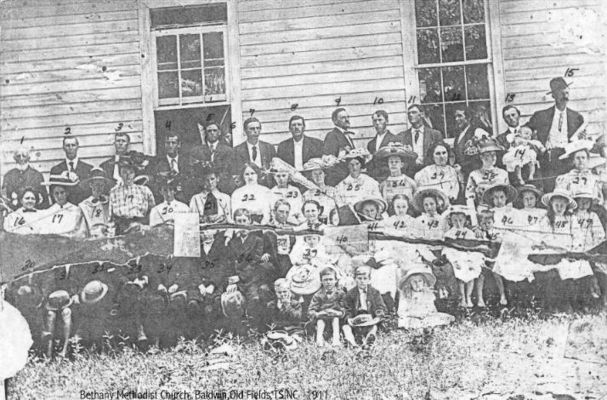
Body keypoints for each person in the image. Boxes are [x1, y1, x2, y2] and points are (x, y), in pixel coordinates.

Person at [528, 77, 585, 192]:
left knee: (569, 192)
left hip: (569, 159)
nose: (564, 95)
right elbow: (526, 129)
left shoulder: (577, 117)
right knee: (550, 192)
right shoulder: (541, 115)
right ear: (553, 95)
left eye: (566, 92)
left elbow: (581, 140)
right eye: (560, 92)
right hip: (549, 159)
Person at [227, 208, 277, 330]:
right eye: (239, 221)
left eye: (244, 220)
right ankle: (238, 331)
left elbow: (254, 262)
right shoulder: (232, 242)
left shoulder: (257, 241)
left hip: (251, 279)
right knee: (232, 301)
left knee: (254, 299)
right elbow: (230, 263)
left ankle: (254, 330)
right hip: (236, 279)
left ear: (249, 222)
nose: (242, 224)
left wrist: (240, 277)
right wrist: (231, 280)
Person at [441, 205, 485, 308]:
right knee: (459, 272)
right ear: (451, 221)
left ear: (465, 220)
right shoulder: (449, 233)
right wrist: (454, 260)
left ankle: (469, 297)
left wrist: (472, 259)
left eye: (461, 220)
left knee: (472, 271)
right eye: (455, 220)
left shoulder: (469, 232)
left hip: (468, 256)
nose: (458, 223)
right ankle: (463, 298)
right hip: (457, 257)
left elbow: (474, 246)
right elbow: (448, 249)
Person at [108, 157, 156, 235]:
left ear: (134, 174)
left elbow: (153, 212)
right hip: (121, 229)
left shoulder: (144, 190)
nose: (128, 176)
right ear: (120, 174)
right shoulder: (114, 192)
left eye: (131, 172)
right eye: (124, 172)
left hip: (140, 228)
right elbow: (110, 217)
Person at [342, 266, 386, 348]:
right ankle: (352, 342)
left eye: (365, 278)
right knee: (345, 327)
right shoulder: (350, 293)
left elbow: (380, 307)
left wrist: (377, 318)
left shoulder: (375, 292)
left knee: (374, 327)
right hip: (356, 319)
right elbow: (346, 308)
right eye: (359, 278)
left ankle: (368, 341)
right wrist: (349, 319)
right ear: (355, 279)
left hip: (370, 319)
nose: (362, 281)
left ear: (369, 279)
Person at [188, 120, 235, 195]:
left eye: (214, 130)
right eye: (209, 131)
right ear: (205, 133)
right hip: (202, 189)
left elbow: (228, 170)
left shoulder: (228, 151)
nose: (212, 133)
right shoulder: (196, 151)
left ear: (219, 132)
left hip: (223, 188)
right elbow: (194, 171)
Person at [396, 104, 444, 175]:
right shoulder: (402, 136)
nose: (410, 115)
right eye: (409, 113)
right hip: (410, 173)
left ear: (422, 114)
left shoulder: (435, 134)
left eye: (414, 112)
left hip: (430, 172)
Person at [307, 267, 346, 346]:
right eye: (325, 280)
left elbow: (345, 308)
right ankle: (319, 340)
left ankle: (336, 340)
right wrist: (318, 314)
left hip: (337, 320)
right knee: (320, 321)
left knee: (335, 319)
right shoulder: (318, 295)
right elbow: (310, 311)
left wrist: (338, 313)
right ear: (321, 281)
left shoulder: (341, 293)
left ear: (336, 280)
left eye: (331, 279)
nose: (328, 282)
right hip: (322, 319)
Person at [465, 139, 509, 208]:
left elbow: (508, 195)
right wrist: (473, 214)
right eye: (489, 155)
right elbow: (469, 197)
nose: (493, 157)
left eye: (494, 154)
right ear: (481, 157)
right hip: (483, 211)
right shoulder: (474, 175)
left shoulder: (503, 173)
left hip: (500, 210)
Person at [50, 136, 93, 204]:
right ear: (63, 148)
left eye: (73, 145)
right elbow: (53, 194)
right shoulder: (56, 170)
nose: (70, 148)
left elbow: (90, 192)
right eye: (67, 145)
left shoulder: (88, 169)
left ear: (77, 147)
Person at [149, 133, 191, 203]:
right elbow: (154, 182)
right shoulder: (156, 162)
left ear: (179, 145)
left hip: (184, 199)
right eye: (168, 143)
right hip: (165, 199)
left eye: (173, 143)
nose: (170, 146)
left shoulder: (186, 161)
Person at [323, 108, 357, 185]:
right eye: (343, 118)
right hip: (338, 180)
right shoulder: (332, 136)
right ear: (335, 121)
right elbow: (329, 161)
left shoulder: (347, 136)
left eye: (348, 117)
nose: (347, 119)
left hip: (348, 178)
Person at [78, 168, 114, 238]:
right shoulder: (84, 205)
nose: (99, 188)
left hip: (109, 235)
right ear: (91, 185)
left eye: (101, 185)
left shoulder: (109, 201)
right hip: (92, 237)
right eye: (96, 185)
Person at [452, 105, 485, 179]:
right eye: (455, 117)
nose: (457, 119)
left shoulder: (477, 132)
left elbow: (481, 156)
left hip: (476, 173)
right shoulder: (458, 136)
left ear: (468, 118)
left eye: (460, 116)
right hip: (462, 174)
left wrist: (463, 167)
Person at [301, 158, 337, 225]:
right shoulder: (306, 195)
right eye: (315, 174)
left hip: (332, 225)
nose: (318, 176)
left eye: (320, 173)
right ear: (311, 176)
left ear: (325, 174)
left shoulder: (333, 191)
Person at [366, 110, 399, 179]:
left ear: (387, 121)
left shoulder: (395, 139)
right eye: (375, 121)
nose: (377, 123)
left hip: (389, 177)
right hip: (374, 178)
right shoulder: (371, 144)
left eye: (380, 120)